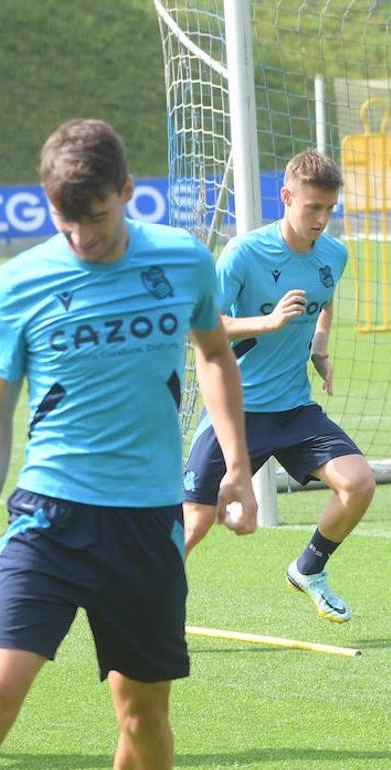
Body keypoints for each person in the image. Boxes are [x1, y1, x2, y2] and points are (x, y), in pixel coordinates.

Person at [0, 119, 258, 770]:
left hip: (145, 525)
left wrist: (239, 465)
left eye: (98, 218)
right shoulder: (18, 283)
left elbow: (215, 354)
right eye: (65, 221)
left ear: (128, 191)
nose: (82, 237)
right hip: (46, 521)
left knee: (142, 719)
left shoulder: (183, 260)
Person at [182, 149, 375, 622]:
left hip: (293, 410)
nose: (322, 219)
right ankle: (143, 604)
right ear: (286, 197)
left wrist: (320, 344)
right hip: (236, 410)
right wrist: (266, 324)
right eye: (312, 208)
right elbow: (200, 327)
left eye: (330, 209)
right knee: (196, 522)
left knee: (359, 483)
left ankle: (309, 568)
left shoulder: (334, 253)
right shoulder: (244, 253)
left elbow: (323, 299)